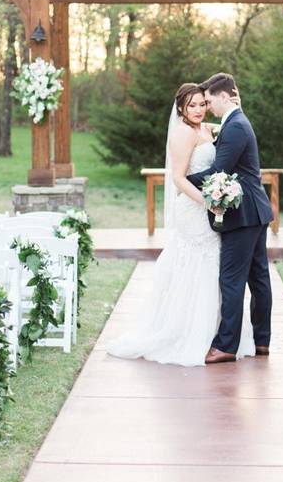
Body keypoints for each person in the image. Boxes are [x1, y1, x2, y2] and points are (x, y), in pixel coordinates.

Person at [106, 82, 254, 366]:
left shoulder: (207, 129)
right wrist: (207, 201)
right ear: (181, 109)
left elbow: (233, 123)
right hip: (192, 208)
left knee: (215, 267)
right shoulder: (182, 133)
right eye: (192, 106)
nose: (198, 110)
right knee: (196, 265)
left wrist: (237, 102)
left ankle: (217, 334)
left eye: (202, 104)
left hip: (211, 207)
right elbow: (178, 178)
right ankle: (186, 333)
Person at [186, 72, 274, 364]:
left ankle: (226, 346)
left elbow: (217, 172)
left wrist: (184, 180)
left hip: (243, 214)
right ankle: (262, 341)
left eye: (209, 101)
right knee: (258, 278)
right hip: (256, 211)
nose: (207, 106)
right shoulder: (236, 122)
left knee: (232, 279)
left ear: (224, 97)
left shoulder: (236, 126)